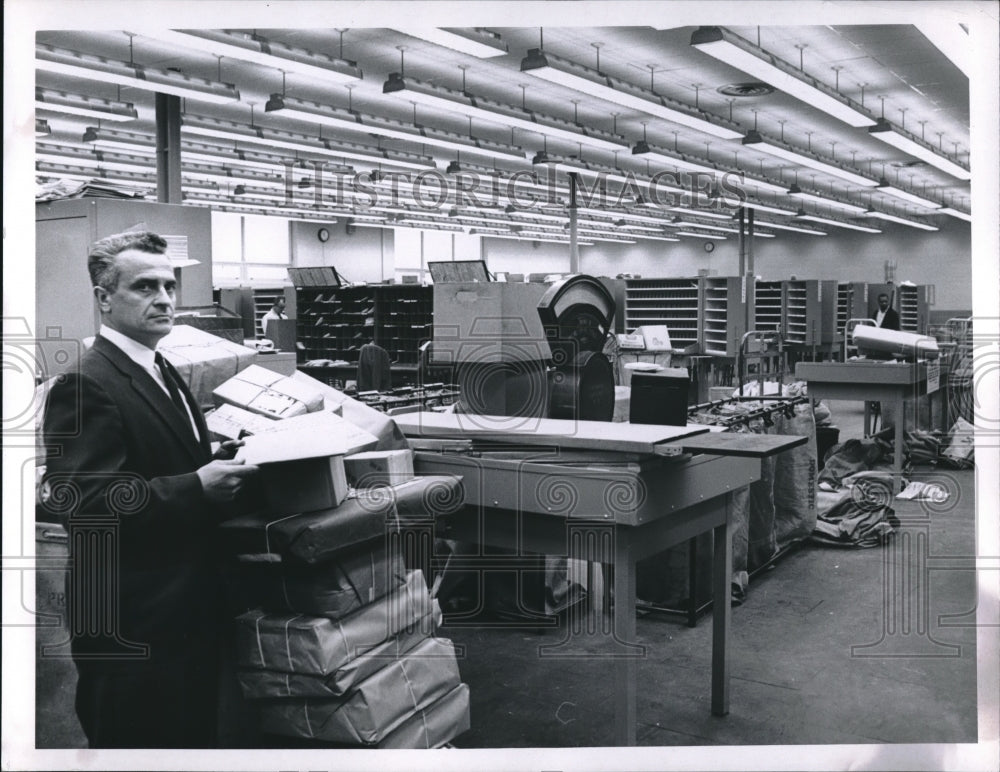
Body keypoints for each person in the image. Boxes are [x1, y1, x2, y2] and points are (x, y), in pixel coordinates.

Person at [40, 230, 259, 748]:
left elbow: (159, 459)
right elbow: (84, 503)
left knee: (186, 737)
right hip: (131, 619)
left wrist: (218, 462)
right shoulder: (87, 382)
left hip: (181, 606)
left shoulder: (158, 366)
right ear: (104, 298)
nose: (163, 298)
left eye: (169, 285)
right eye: (144, 286)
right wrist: (194, 487)